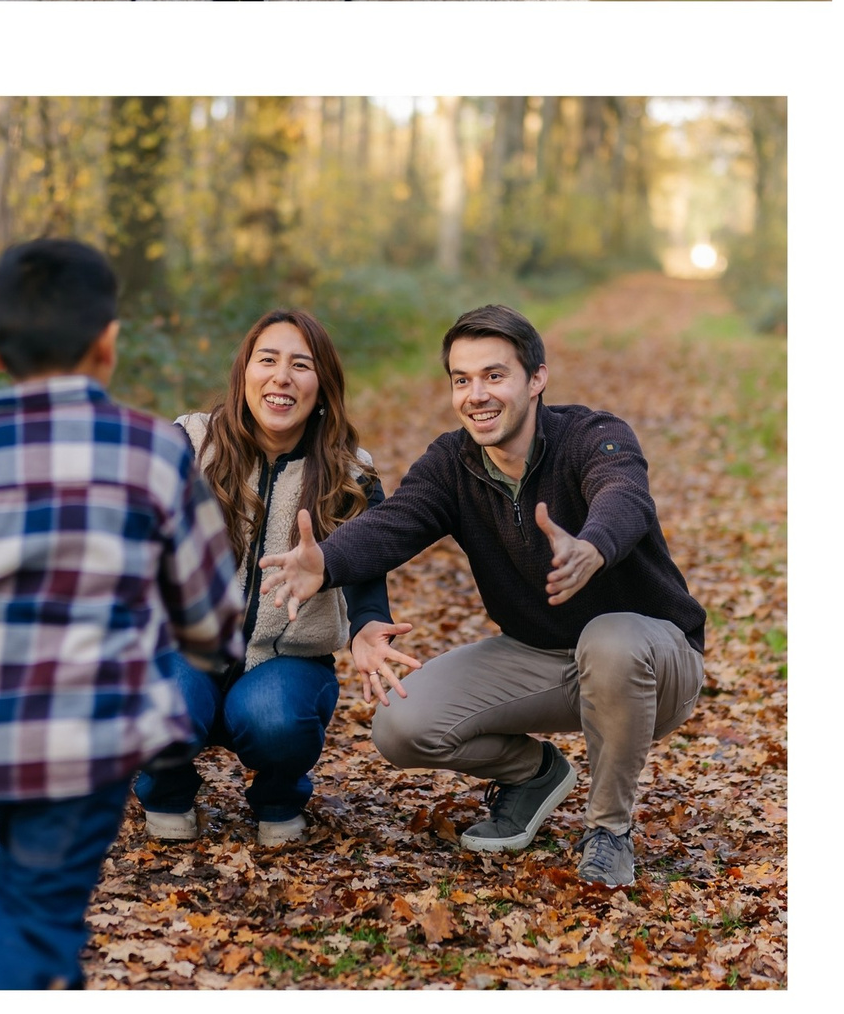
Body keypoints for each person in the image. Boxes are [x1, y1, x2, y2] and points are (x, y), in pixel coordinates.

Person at [263, 300, 706, 892]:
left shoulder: (591, 436)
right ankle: (535, 775)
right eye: (462, 379)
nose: (477, 394)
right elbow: (399, 521)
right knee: (402, 723)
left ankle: (608, 832)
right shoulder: (453, 463)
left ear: (537, 378)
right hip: (543, 655)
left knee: (611, 637)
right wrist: (329, 561)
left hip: (653, 659)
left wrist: (593, 547)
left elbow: (622, 494)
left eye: (495, 375)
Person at [0, 238, 239, 990]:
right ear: (108, 343)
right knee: (34, 905)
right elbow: (212, 619)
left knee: (41, 884)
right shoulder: (153, 451)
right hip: (88, 727)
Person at [136, 306, 414, 851]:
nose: (281, 377)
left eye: (301, 365)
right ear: (244, 374)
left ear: (323, 387)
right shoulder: (188, 444)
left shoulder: (350, 473)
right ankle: (165, 788)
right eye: (267, 360)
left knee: (275, 719)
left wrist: (368, 627)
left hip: (285, 663)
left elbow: (365, 577)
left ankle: (280, 795)